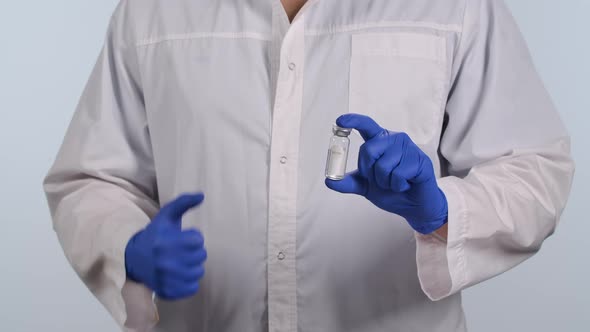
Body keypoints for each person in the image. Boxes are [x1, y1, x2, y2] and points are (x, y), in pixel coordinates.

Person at [43, 0, 575, 331]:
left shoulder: (455, 6)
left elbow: (533, 167)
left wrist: (443, 212)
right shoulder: (150, 11)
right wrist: (126, 247)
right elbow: (92, 178)